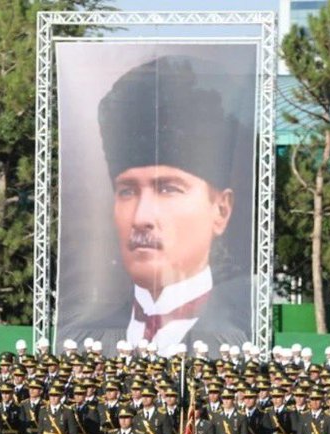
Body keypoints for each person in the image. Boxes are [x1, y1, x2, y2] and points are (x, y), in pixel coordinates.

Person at [84, 55, 254, 350]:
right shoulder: (89, 335)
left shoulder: (237, 333)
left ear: (221, 210)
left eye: (168, 189)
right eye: (127, 191)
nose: (141, 217)